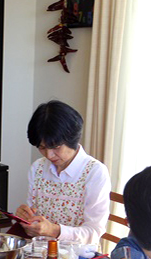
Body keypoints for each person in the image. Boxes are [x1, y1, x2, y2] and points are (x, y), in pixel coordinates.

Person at [15, 100, 111, 244]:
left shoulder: (94, 172)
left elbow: (94, 232)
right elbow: (33, 218)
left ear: (71, 139)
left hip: (77, 258)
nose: (49, 155)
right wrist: (26, 219)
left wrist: (53, 230)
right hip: (40, 252)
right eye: (42, 148)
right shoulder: (38, 168)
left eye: (56, 147)